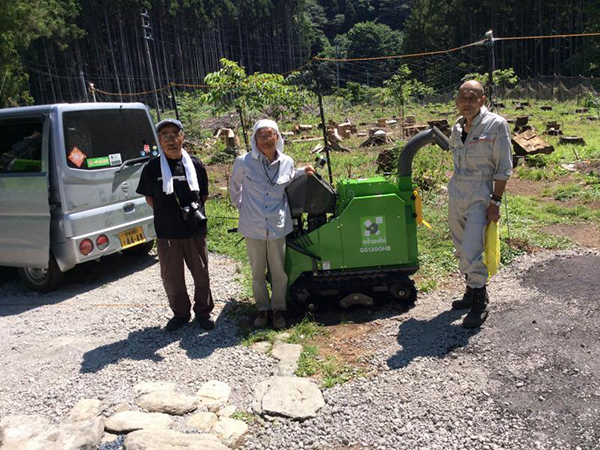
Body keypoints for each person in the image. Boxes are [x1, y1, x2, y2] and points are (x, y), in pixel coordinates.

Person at [229, 119, 314, 329]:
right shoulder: (244, 162)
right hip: (253, 224)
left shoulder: (287, 161)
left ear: (277, 137)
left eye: (269, 135)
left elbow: (289, 177)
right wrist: (242, 207)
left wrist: (304, 171)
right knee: (257, 271)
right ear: (254, 139)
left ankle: (278, 310)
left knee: (278, 270)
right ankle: (262, 310)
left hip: (277, 223)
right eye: (261, 136)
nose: (265, 140)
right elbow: (234, 187)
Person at [136, 119, 215, 332]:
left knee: (201, 274)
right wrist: (169, 215)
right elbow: (150, 199)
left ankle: (203, 312)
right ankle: (180, 313)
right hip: (167, 232)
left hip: (194, 232)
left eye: (174, 134)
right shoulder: (152, 168)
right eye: (165, 136)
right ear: (159, 141)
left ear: (183, 137)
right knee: (172, 277)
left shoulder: (196, 164)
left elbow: (204, 195)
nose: (171, 140)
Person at [448, 80, 512, 328]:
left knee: (473, 247)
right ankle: (469, 290)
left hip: (480, 192)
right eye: (462, 97)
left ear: (482, 100)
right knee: (460, 244)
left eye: (472, 97)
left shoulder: (496, 125)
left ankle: (480, 301)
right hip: (457, 191)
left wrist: (495, 201)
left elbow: (504, 167)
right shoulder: (457, 126)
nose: (466, 102)